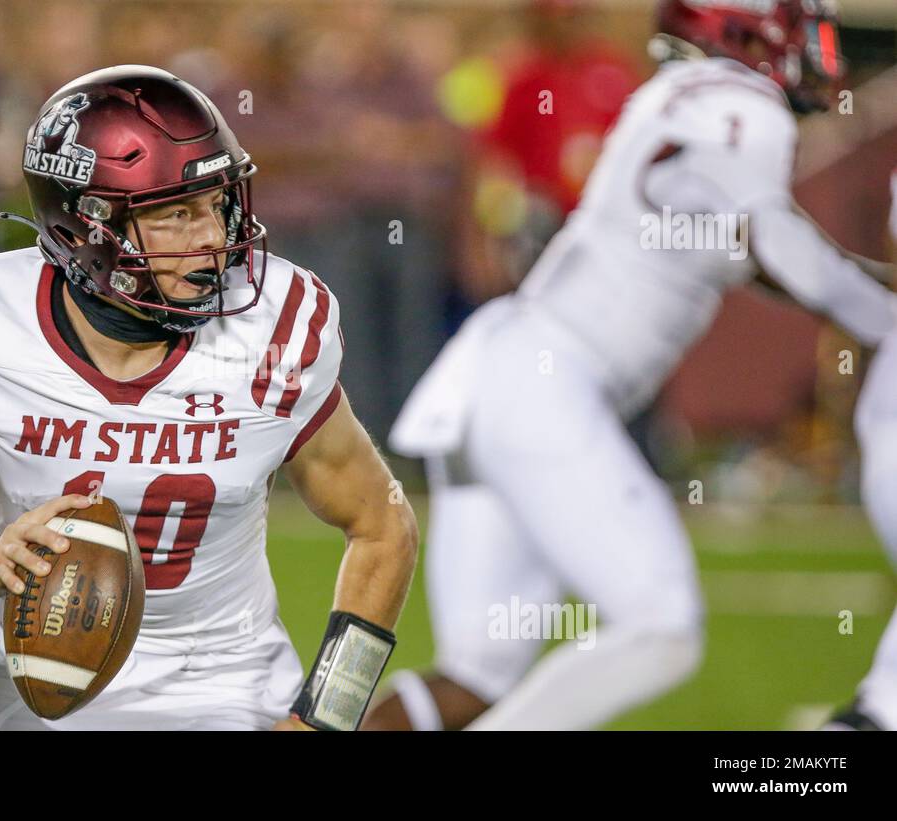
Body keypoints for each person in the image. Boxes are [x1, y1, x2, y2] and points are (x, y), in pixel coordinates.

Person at [367, 0, 897, 730]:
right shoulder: (741, 104)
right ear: (745, 28)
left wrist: (865, 293)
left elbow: (743, 245)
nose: (812, 48)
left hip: (493, 378)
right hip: (543, 388)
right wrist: (883, 312)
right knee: (663, 626)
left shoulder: (669, 99)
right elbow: (774, 240)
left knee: (476, 673)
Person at [0, 66, 418, 731]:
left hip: (218, 683)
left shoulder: (272, 331)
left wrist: (326, 717)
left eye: (218, 203)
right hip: (42, 685)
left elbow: (384, 526)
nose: (212, 238)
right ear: (88, 226)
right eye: (177, 213)